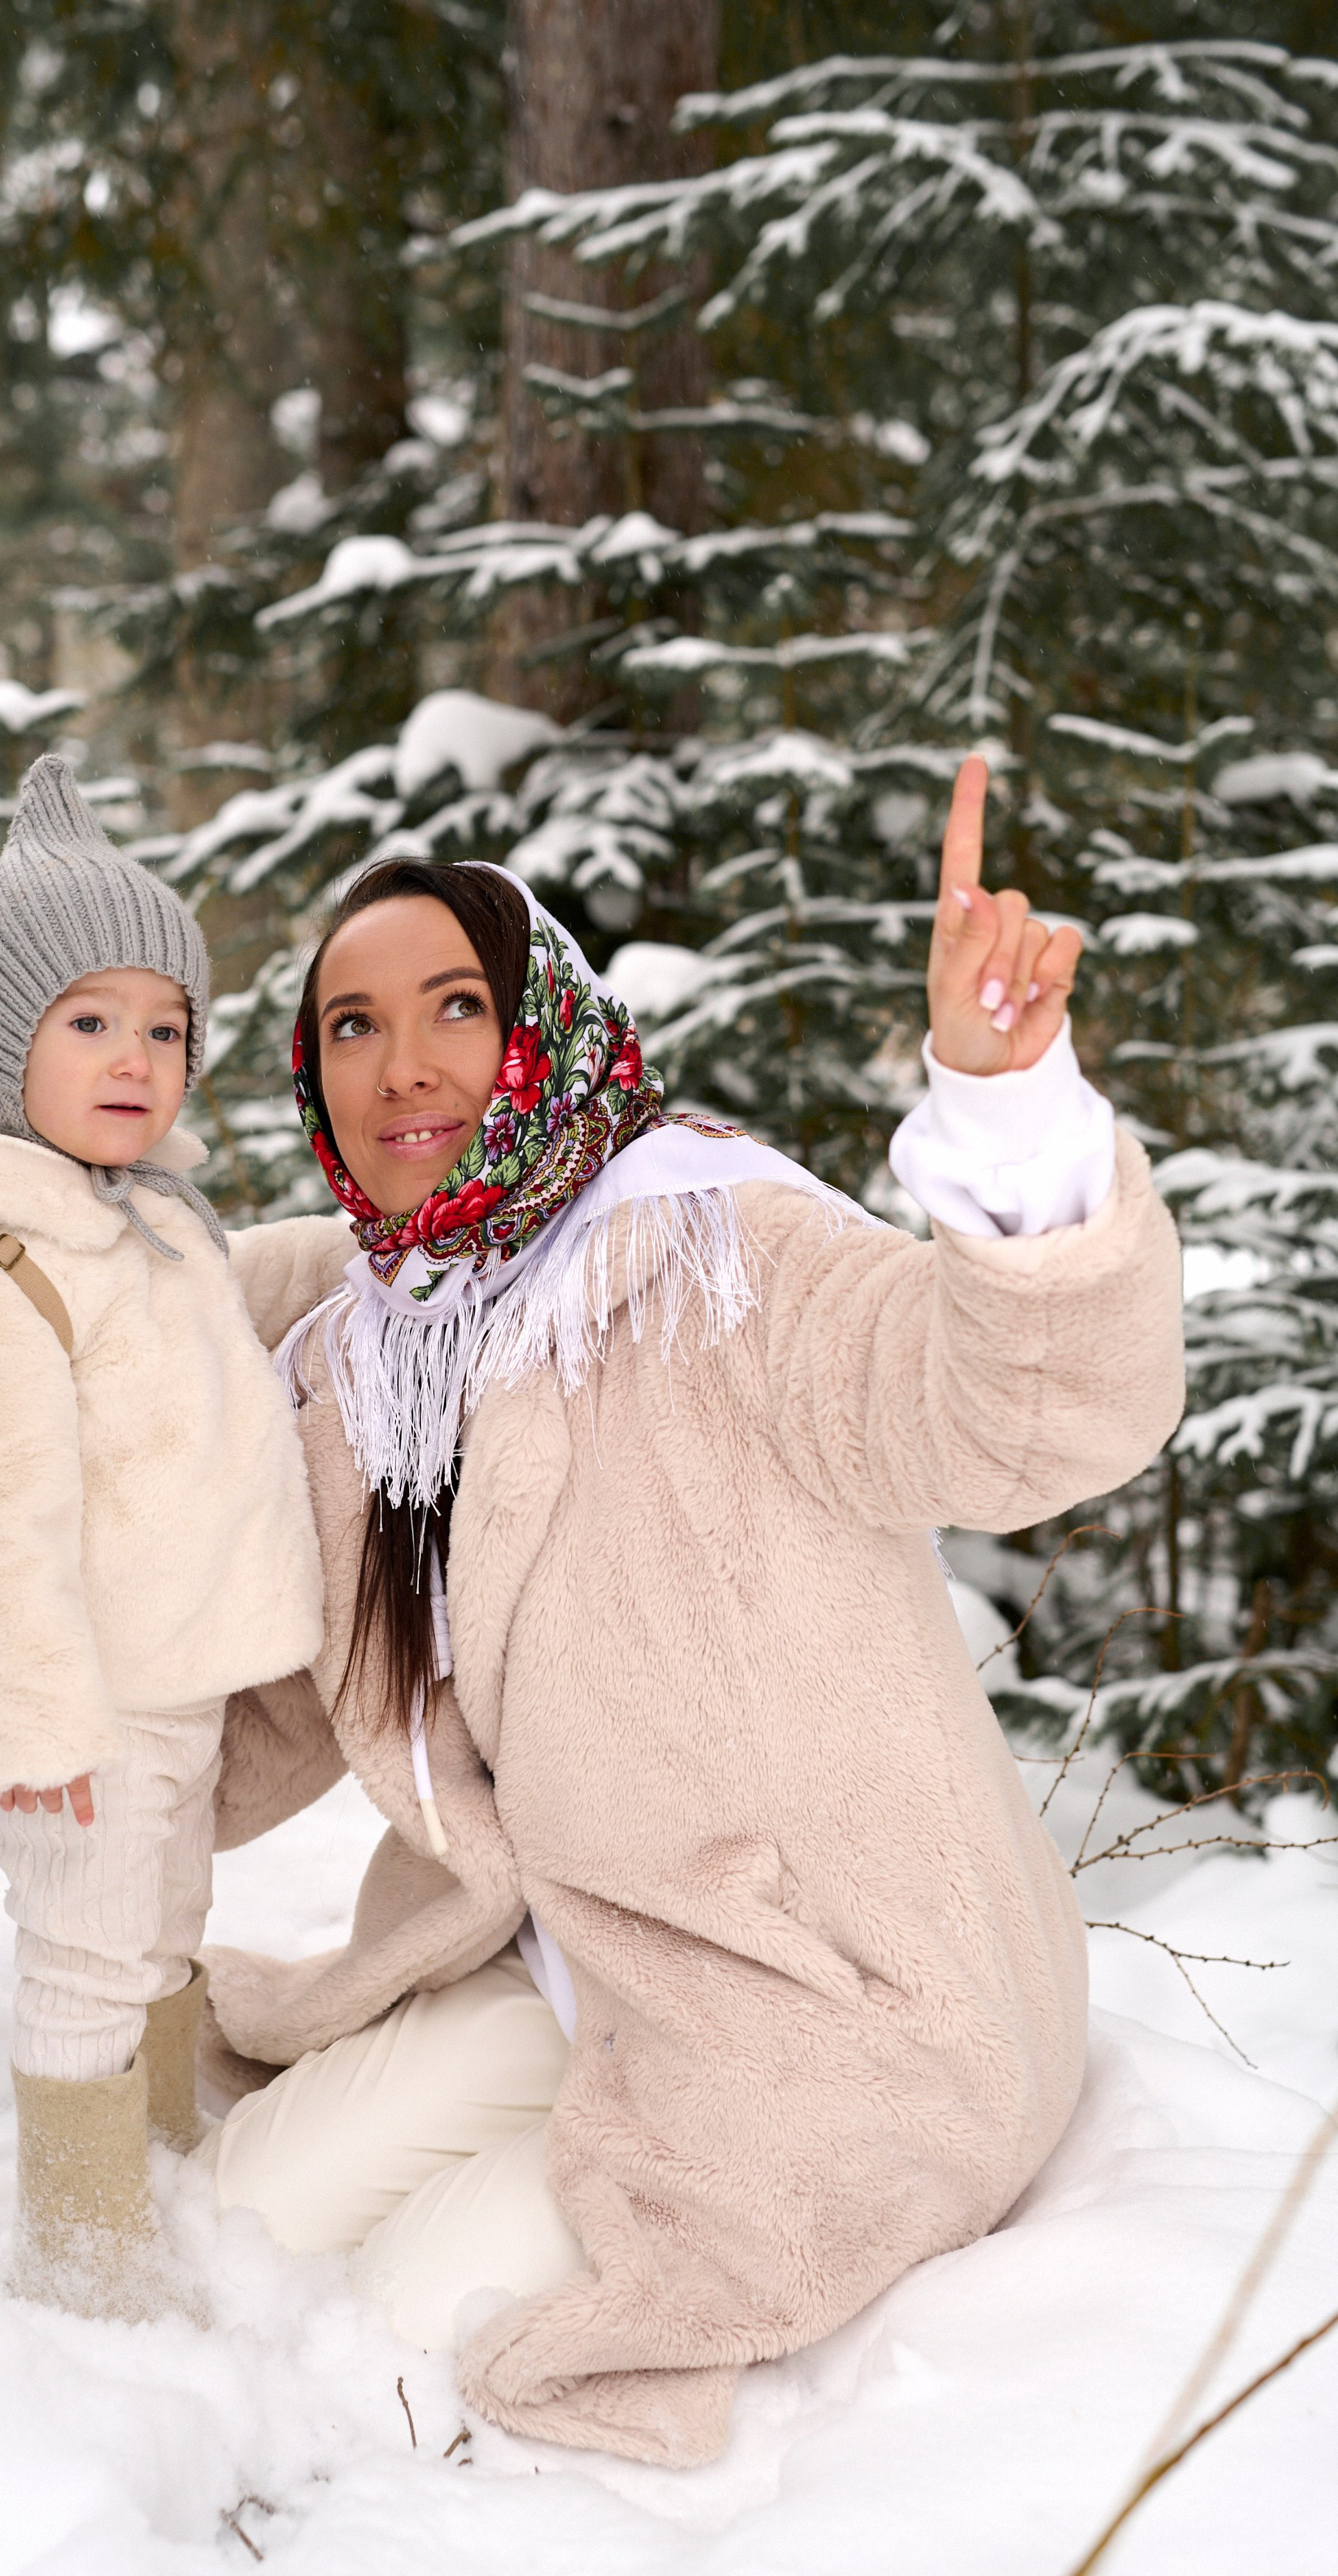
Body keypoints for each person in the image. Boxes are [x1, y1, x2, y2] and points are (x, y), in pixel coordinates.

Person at [199, 755, 1185, 2466]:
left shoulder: (717, 1252)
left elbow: (1006, 1411)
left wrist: (1010, 1110)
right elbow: (271, 1692)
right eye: (349, 1026)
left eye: (454, 1005)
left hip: (832, 2000)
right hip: (581, 1963)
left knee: (415, 2335)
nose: (403, 1063)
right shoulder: (373, 1351)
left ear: (544, 1034)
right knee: (242, 2217)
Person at [0, 754, 322, 2319]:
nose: (138, 1056)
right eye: (90, 1021)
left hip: (174, 1678)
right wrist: (33, 1723)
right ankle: (81, 2251)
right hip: (82, 1708)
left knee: (164, 1926)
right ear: (7, 1043)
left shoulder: (149, 1213)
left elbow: (225, 1322)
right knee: (84, 1950)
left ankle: (158, 2160)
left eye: (166, 1025)